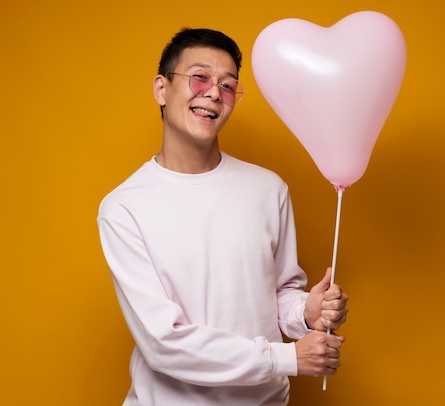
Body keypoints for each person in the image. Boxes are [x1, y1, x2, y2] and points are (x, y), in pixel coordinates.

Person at [97, 27, 349, 406]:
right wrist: (287, 357)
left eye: (228, 85)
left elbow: (279, 295)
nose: (214, 92)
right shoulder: (124, 208)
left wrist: (306, 312)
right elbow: (164, 343)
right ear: (161, 89)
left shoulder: (268, 189)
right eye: (200, 78)